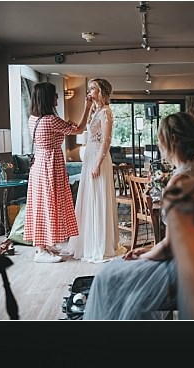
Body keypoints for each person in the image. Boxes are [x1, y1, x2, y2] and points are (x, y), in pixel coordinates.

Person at [83, 112, 194, 320]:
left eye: (160, 138)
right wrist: (148, 248)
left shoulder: (178, 182)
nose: (159, 145)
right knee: (116, 267)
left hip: (180, 267)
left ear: (173, 140)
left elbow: (169, 247)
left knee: (107, 277)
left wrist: (142, 255)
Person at [24, 81, 91, 263]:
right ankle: (41, 251)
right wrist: (87, 107)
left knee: (43, 204)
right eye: (54, 95)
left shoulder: (33, 119)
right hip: (50, 165)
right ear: (47, 98)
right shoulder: (51, 120)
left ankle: (45, 244)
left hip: (39, 164)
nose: (57, 97)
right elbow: (79, 129)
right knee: (50, 204)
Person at [66, 78, 126, 263]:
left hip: (98, 158)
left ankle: (100, 244)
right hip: (90, 157)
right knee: (88, 198)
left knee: (98, 198)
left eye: (93, 88)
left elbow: (106, 141)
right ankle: (87, 243)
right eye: (90, 88)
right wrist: (86, 107)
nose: (90, 91)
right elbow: (82, 128)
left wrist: (98, 163)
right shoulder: (95, 111)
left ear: (102, 92)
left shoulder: (106, 112)